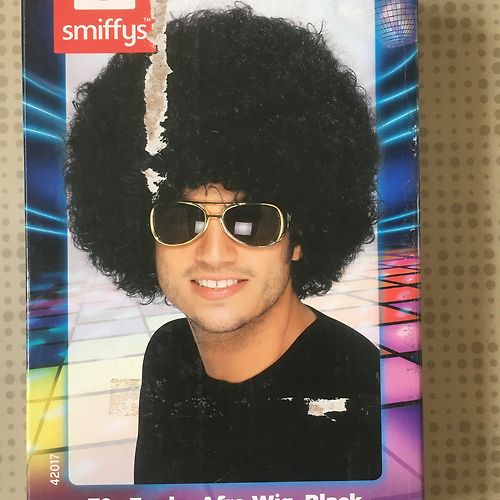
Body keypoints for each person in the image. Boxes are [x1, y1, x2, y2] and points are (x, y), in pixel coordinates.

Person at [65, 5, 381, 484]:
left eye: (251, 221)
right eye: (181, 219)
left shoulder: (358, 384)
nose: (213, 253)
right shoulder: (170, 354)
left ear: (298, 240)